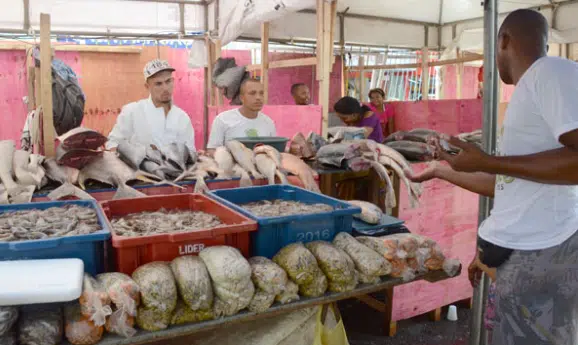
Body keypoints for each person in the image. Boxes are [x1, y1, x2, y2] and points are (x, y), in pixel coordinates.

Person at [405, 9, 578, 345]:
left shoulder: (552, 72)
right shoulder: (531, 90)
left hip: (542, 256)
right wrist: (447, 163)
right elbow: (510, 183)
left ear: (504, 40)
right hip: (519, 257)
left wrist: (489, 161)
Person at [106, 59, 195, 152]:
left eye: (168, 81)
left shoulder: (182, 118)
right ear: (147, 86)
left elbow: (190, 153)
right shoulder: (132, 112)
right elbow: (113, 144)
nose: (165, 88)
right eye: (158, 84)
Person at [207, 79, 276, 151]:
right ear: (242, 98)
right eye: (252, 93)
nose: (258, 97)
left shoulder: (269, 122)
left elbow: (274, 150)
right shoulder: (222, 119)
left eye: (261, 93)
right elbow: (212, 150)